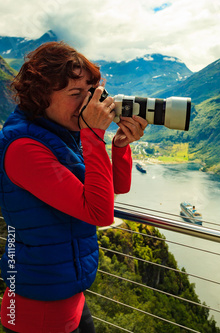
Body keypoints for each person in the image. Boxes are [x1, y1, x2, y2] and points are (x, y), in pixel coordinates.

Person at [0, 41, 148, 332]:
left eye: (90, 94)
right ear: (40, 97)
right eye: (75, 94)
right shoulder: (23, 148)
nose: (87, 104)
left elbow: (115, 187)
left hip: (70, 297)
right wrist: (93, 136)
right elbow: (99, 213)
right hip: (37, 311)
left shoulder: (61, 134)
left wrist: (118, 146)